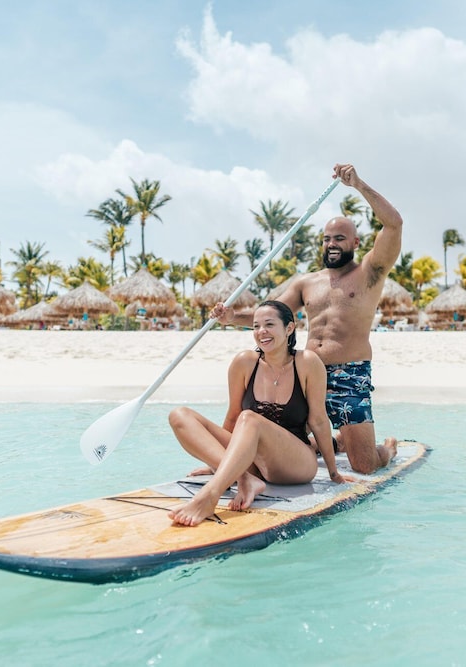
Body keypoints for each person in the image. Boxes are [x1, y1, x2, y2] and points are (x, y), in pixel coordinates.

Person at [212, 163, 401, 474]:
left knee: (365, 465)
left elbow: (394, 224)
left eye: (339, 238)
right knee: (281, 446)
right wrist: (231, 316)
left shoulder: (369, 273)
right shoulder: (306, 282)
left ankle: (388, 450)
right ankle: (333, 442)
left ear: (355, 243)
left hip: (349, 374)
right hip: (304, 372)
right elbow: (269, 316)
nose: (332, 244)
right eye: (326, 239)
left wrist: (359, 185)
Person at [167, 300, 350, 527]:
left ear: (289, 328)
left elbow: (319, 421)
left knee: (249, 419)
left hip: (295, 463)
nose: (261, 331)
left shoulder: (307, 363)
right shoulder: (244, 362)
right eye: (256, 326)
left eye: (269, 324)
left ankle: (209, 496)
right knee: (179, 415)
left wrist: (333, 473)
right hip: (253, 462)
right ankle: (244, 478)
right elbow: (232, 416)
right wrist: (220, 462)